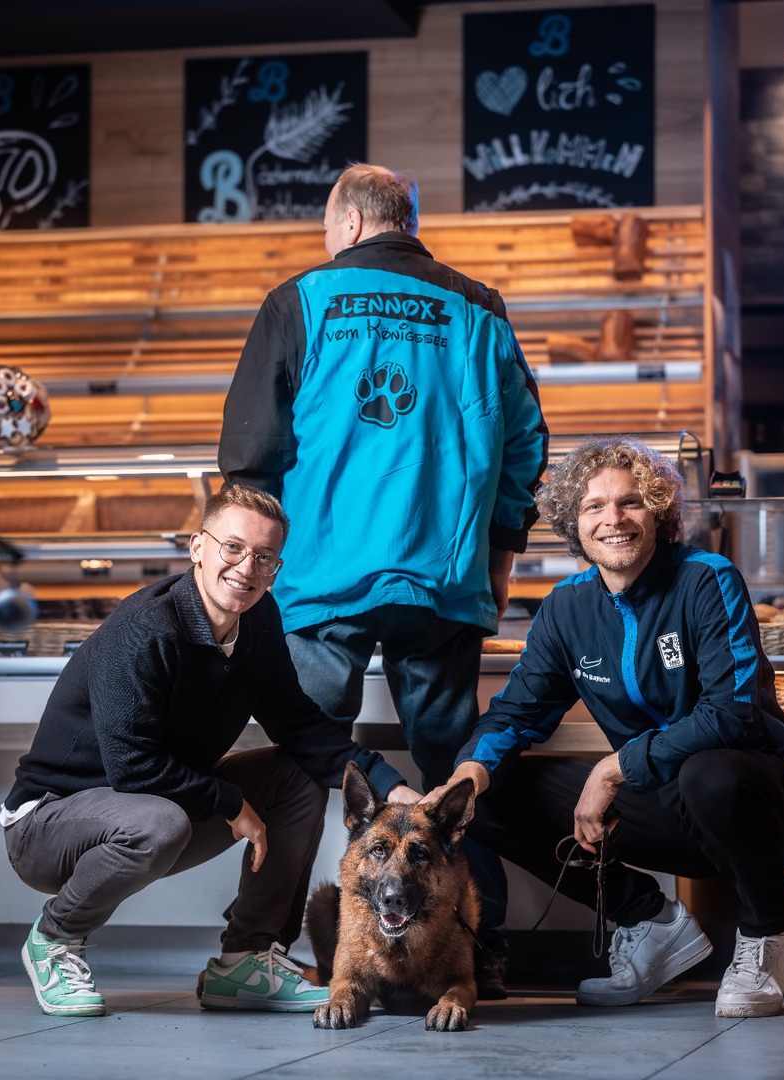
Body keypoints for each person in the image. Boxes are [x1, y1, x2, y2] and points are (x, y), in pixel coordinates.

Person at [218, 163, 549, 996]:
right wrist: (498, 560)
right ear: (407, 221)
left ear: (351, 224)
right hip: (444, 580)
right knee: (453, 781)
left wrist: (249, 574)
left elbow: (250, 451)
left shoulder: (300, 299)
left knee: (307, 765)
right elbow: (524, 445)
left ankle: (261, 949)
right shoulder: (477, 307)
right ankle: (479, 951)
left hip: (320, 580)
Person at [0, 484, 419, 1018]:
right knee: (160, 821)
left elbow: (298, 724)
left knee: (298, 776)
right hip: (46, 824)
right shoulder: (145, 629)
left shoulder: (259, 620)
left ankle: (245, 960)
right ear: (198, 547)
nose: (246, 568)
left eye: (264, 557)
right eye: (233, 548)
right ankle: (55, 938)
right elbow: (132, 767)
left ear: (275, 569)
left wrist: (390, 786)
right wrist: (230, 802)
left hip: (151, 809)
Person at [428, 435, 784, 1018]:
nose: (614, 520)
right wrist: (470, 773)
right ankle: (649, 921)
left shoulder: (707, 578)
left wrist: (615, 768)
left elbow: (731, 713)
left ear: (658, 511)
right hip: (662, 804)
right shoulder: (566, 607)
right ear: (573, 523)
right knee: (481, 800)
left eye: (631, 502)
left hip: (761, 800)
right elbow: (516, 711)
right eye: (594, 506)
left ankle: (766, 934)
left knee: (710, 774)